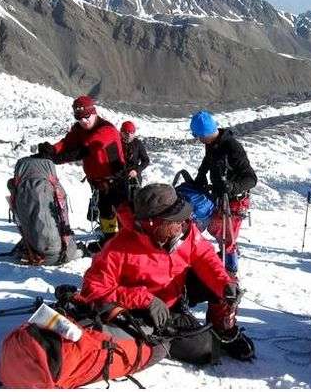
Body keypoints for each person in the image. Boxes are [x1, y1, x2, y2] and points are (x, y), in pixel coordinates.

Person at [78, 183, 255, 361]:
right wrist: (145, 300)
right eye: (175, 219)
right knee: (206, 351)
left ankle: (224, 330)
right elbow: (92, 290)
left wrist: (223, 284)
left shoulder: (185, 231)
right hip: (144, 310)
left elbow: (205, 257)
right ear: (152, 223)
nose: (183, 223)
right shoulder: (118, 249)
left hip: (177, 294)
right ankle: (158, 337)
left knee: (225, 282)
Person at [37, 95, 126, 241]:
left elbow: (85, 149)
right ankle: (110, 240)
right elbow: (67, 143)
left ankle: (128, 241)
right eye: (79, 118)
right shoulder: (79, 129)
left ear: (94, 112)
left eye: (86, 117)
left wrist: (55, 159)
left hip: (116, 180)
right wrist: (52, 149)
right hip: (100, 182)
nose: (83, 121)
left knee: (122, 212)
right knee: (105, 212)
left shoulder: (107, 130)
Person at [190, 111, 257, 276]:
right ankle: (226, 257)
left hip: (235, 201)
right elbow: (208, 159)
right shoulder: (212, 143)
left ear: (205, 133)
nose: (198, 140)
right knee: (217, 230)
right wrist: (200, 175)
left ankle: (230, 273)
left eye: (198, 136)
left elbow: (251, 178)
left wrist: (232, 187)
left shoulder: (232, 147)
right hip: (222, 197)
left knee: (227, 238)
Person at [120, 121, 150, 186]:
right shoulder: (117, 142)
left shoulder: (138, 144)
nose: (129, 135)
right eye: (127, 133)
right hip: (119, 177)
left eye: (132, 133)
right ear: (122, 132)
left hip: (134, 177)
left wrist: (136, 170)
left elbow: (146, 160)